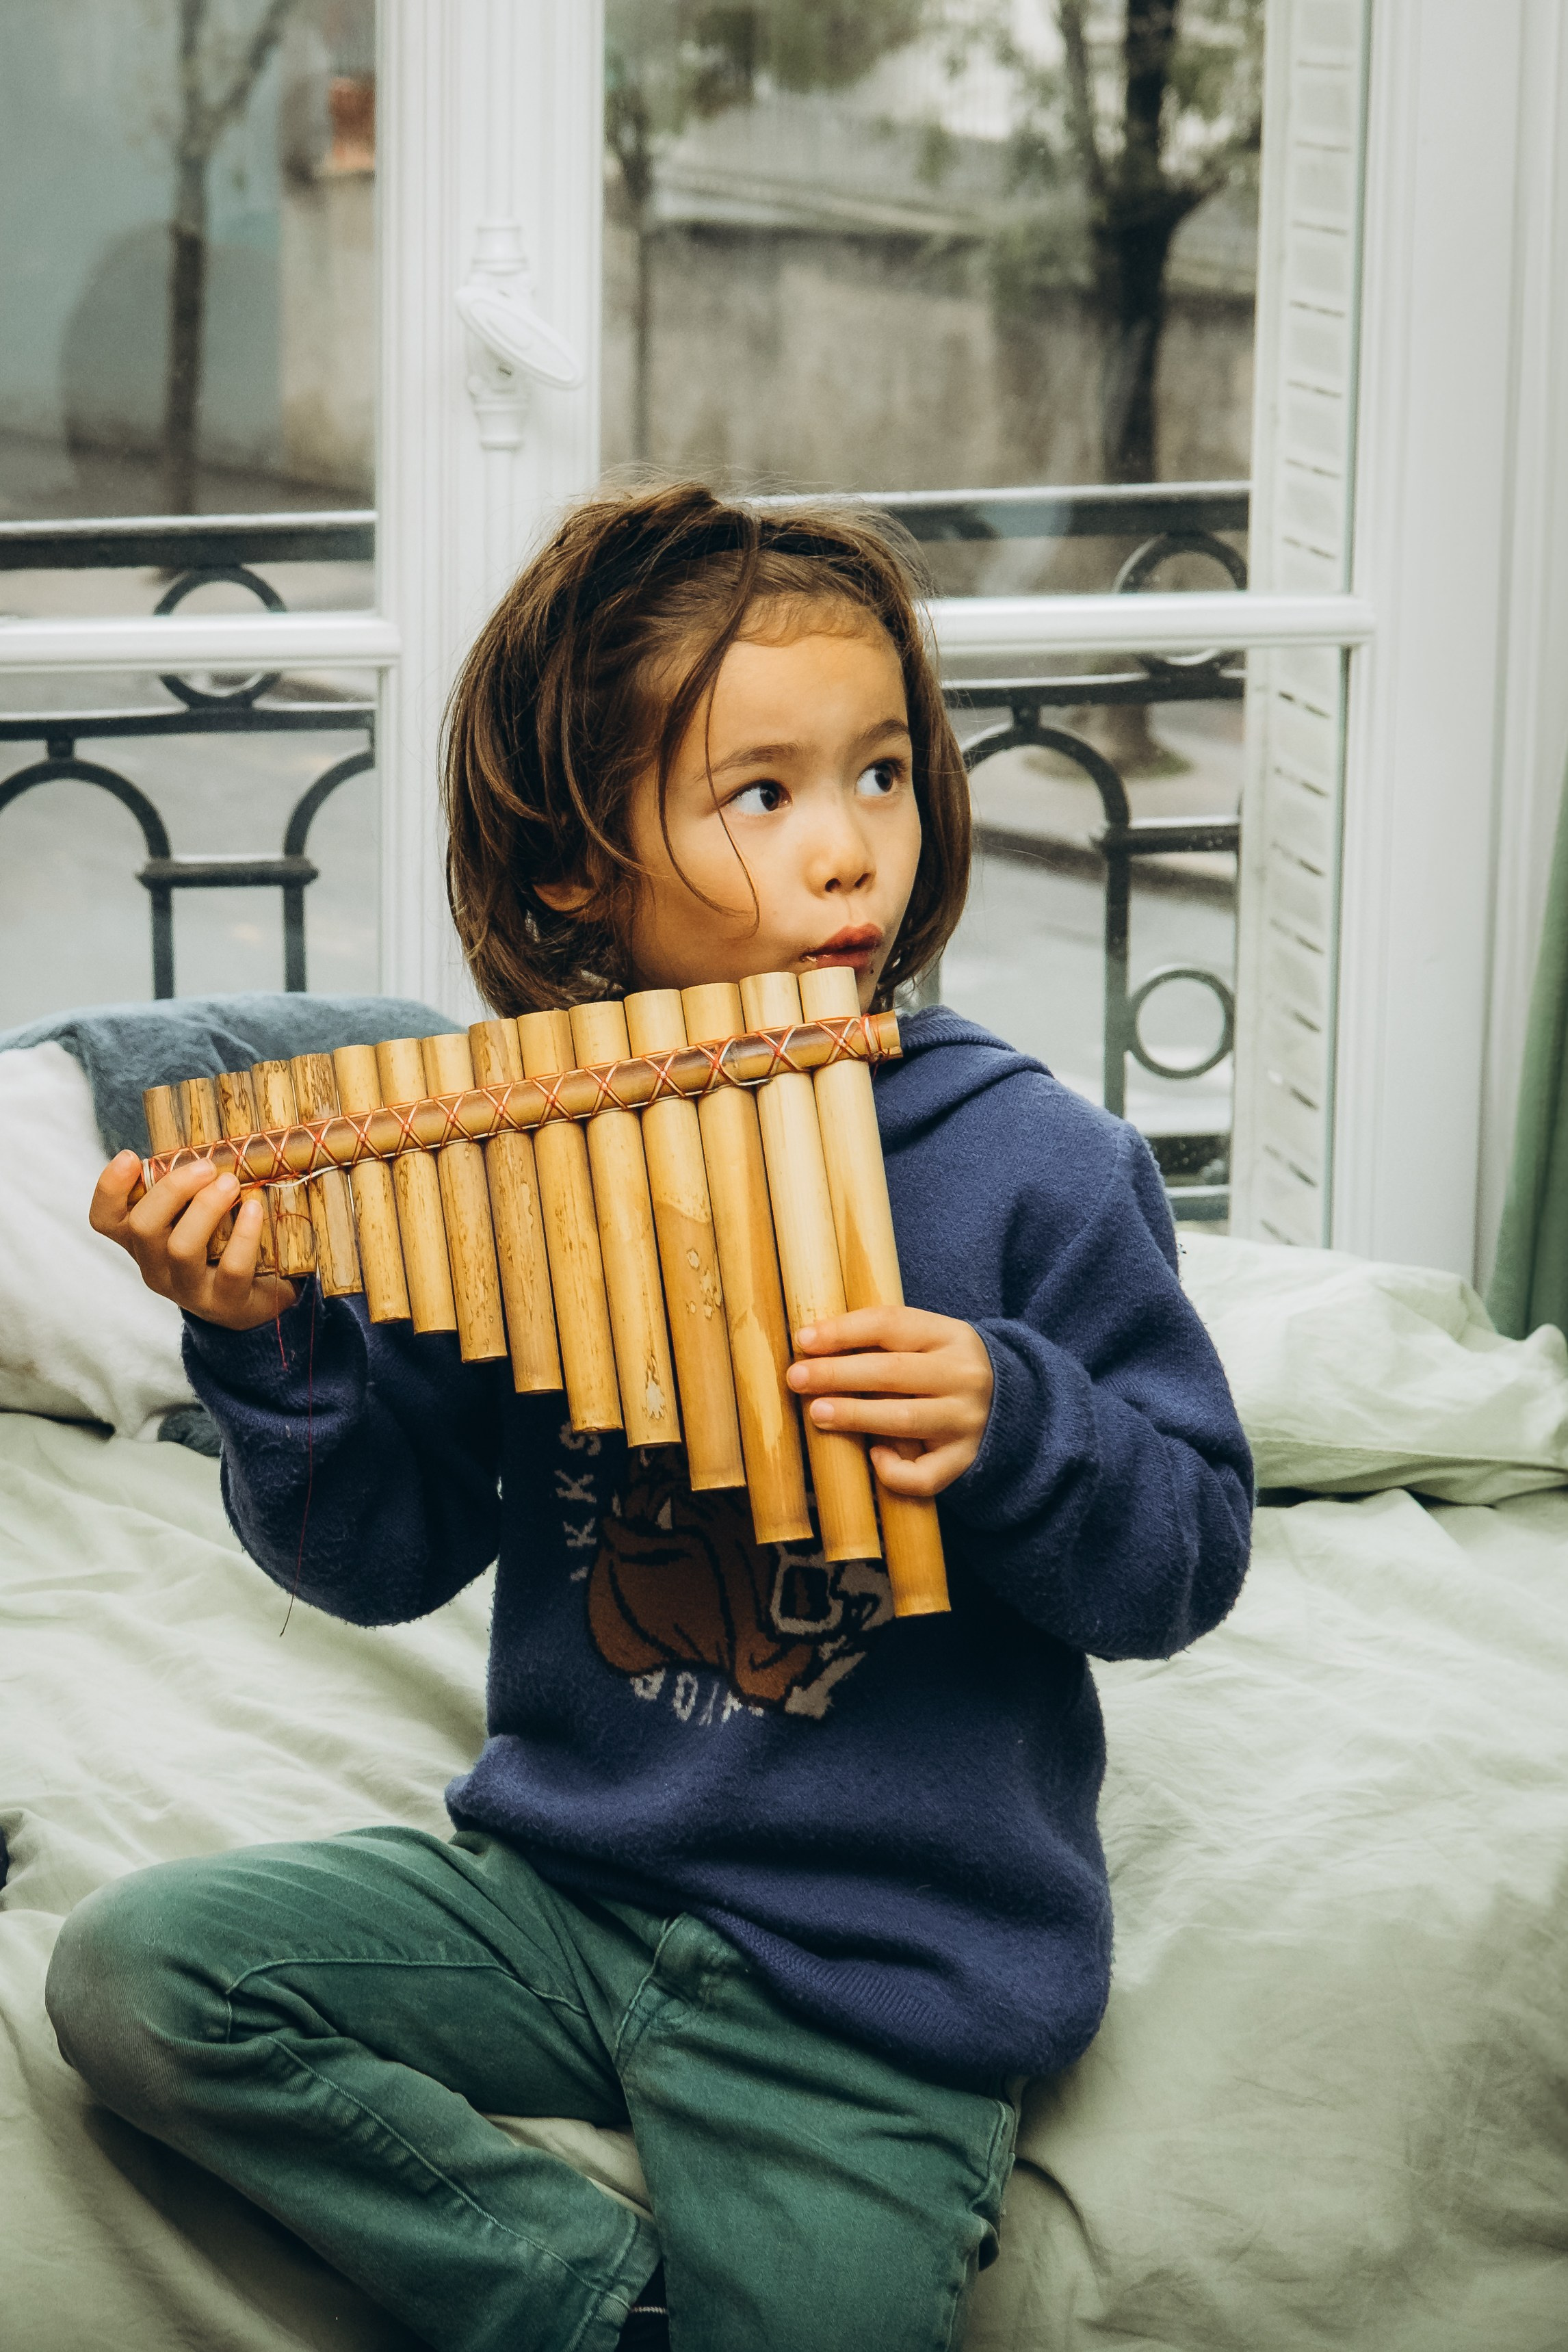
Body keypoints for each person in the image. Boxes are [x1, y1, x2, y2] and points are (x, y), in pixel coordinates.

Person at [57, 484, 1253, 2352]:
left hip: (876, 1990)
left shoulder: (1038, 1165)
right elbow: (377, 1560)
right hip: (562, 1889)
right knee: (136, 1979)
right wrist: (266, 1341)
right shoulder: (523, 1173)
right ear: (572, 871)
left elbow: (1184, 1556)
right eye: (760, 795)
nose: (848, 851)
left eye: (881, 773)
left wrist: (1018, 1429)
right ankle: (593, 2315)